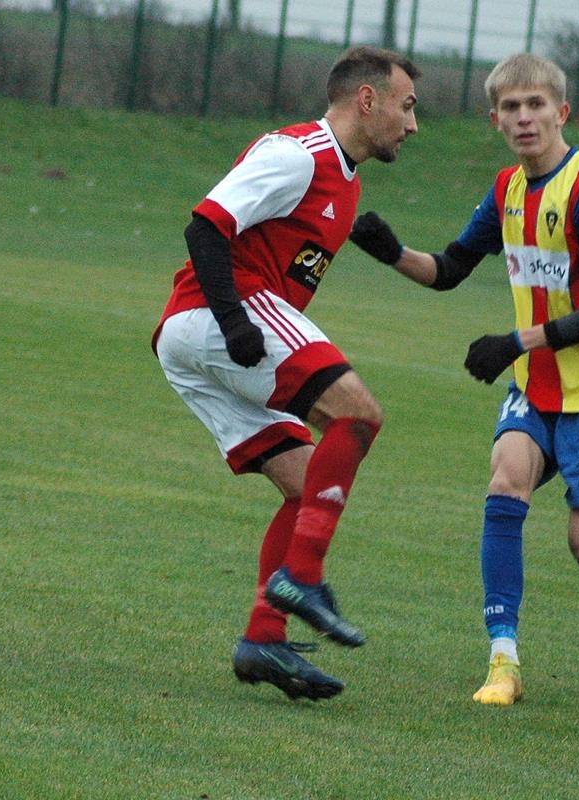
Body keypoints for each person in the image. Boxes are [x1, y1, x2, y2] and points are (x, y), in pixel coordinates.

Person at [348, 52, 579, 708]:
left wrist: (515, 342)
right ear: (495, 120)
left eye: (536, 105)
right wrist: (392, 252)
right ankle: (503, 661)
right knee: (506, 482)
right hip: (536, 386)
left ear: (562, 112)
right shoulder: (507, 189)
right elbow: (450, 269)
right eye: (511, 107)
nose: (524, 117)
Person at [151, 46, 420, 701]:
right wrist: (234, 322)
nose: (413, 125)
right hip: (217, 312)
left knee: (305, 484)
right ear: (367, 100)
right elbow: (205, 228)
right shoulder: (299, 154)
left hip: (195, 337)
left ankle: (263, 639)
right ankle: (302, 577)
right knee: (359, 414)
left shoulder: (346, 185)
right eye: (407, 107)